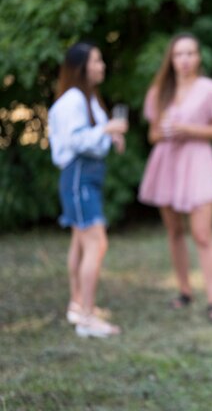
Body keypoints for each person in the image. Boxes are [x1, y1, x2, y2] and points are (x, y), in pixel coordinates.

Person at [138, 33, 212, 323]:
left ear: (198, 57)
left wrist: (189, 130)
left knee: (202, 234)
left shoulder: (210, 89)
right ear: (172, 58)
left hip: (198, 163)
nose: (185, 59)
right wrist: (167, 132)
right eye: (179, 54)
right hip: (167, 163)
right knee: (174, 232)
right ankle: (184, 291)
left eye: (190, 53)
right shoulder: (159, 91)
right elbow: (152, 134)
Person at [48, 42, 128, 338]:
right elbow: (76, 140)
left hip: (85, 175)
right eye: (97, 60)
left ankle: (77, 304)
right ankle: (87, 318)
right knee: (96, 242)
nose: (102, 65)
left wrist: (109, 139)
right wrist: (107, 131)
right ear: (82, 67)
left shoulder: (87, 97)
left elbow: (92, 138)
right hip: (78, 174)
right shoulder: (73, 100)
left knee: (81, 242)